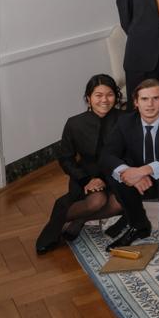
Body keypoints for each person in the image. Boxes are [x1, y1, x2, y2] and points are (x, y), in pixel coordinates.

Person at [36, 75, 123, 255]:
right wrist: (86, 180)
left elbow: (130, 154)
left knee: (120, 203)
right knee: (97, 200)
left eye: (109, 95)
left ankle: (80, 218)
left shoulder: (125, 119)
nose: (104, 100)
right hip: (84, 176)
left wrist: (112, 177)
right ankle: (58, 221)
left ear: (116, 96)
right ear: (88, 99)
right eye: (98, 95)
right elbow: (66, 158)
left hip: (115, 175)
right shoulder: (74, 123)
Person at [101, 79, 159, 252]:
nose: (150, 104)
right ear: (135, 102)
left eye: (155, 98)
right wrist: (128, 173)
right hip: (137, 184)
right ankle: (138, 225)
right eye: (144, 99)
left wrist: (144, 170)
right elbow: (107, 154)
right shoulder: (125, 122)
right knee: (117, 173)